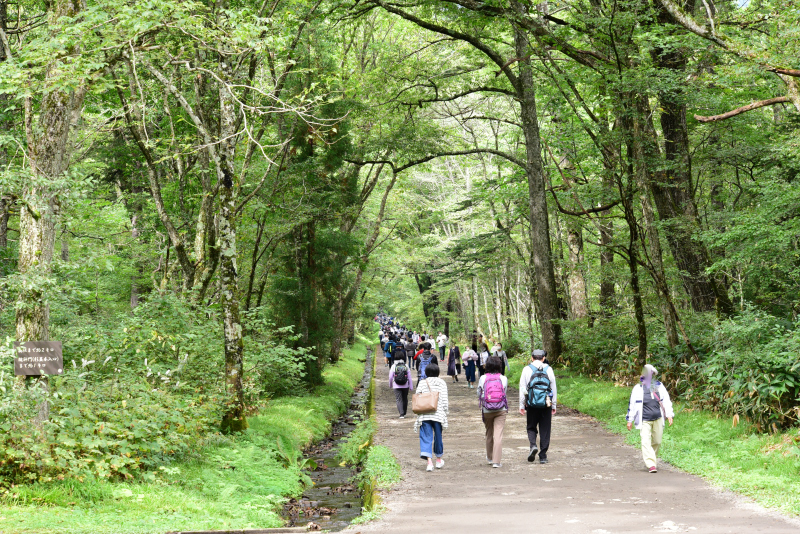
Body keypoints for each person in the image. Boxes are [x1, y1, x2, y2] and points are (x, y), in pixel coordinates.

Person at [626, 364, 674, 473]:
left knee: (657, 441)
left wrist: (669, 414)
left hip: (658, 417)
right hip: (644, 419)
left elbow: (666, 400)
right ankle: (651, 464)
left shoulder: (659, 386)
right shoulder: (637, 388)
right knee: (645, 441)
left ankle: (652, 458)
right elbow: (632, 405)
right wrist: (630, 420)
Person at [519, 349, 557, 464]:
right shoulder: (548, 369)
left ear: (532, 358)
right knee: (545, 429)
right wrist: (553, 404)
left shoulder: (526, 369)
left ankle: (533, 446)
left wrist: (522, 404)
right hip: (546, 403)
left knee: (531, 427)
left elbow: (522, 388)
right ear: (543, 358)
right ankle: (543, 455)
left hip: (531, 403)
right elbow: (553, 388)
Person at [413, 361, 449, 471]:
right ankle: (438, 460)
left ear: (427, 372)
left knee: (425, 437)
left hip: (425, 413)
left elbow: (418, 396)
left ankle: (429, 463)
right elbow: (444, 399)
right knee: (438, 436)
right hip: (438, 414)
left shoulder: (423, 382)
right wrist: (445, 412)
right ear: (437, 372)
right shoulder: (442, 383)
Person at [477, 356, 508, 468]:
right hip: (501, 409)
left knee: (489, 433)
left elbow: (479, 393)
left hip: (487, 409)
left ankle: (490, 458)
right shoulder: (503, 378)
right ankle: (496, 461)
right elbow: (505, 393)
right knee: (498, 435)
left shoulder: (483, 378)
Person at [389, 354, 414, 418]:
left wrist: (390, 385)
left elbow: (390, 377)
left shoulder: (393, 366)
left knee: (398, 399)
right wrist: (411, 386)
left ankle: (401, 414)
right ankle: (404, 411)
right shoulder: (406, 366)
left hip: (396, 385)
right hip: (405, 385)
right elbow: (409, 377)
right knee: (405, 398)